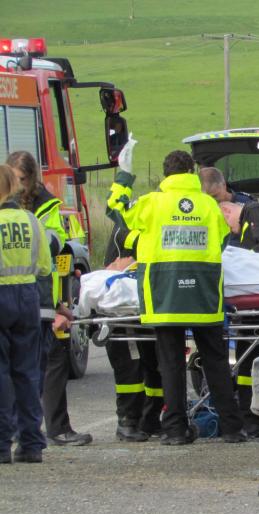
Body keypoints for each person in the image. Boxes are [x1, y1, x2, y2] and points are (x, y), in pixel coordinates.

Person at [122, 149, 245, 444]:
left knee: (171, 364)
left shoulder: (152, 203)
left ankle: (176, 429)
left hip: (165, 296)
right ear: (191, 172)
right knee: (216, 361)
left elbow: (121, 212)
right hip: (203, 294)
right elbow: (222, 238)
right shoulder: (207, 205)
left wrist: (123, 177)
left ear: (165, 174)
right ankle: (231, 428)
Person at [6, 151, 92, 446]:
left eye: (22, 180)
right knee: (26, 368)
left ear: (31, 179)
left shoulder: (47, 208)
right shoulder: (17, 212)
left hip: (43, 297)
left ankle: (52, 428)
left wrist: (61, 300)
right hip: (24, 298)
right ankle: (33, 430)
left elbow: (59, 254)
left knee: (52, 362)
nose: (19, 186)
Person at [103, 135, 164, 442]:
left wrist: (124, 175)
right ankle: (128, 420)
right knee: (130, 366)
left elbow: (115, 206)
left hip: (148, 304)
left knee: (154, 364)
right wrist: (123, 175)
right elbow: (116, 208)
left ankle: (151, 418)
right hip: (122, 308)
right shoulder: (132, 227)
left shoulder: (143, 223)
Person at [214, 196, 259, 438]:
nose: (230, 233)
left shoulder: (255, 213)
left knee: (252, 361)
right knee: (258, 357)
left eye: (228, 227)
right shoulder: (254, 218)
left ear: (226, 211)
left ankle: (252, 418)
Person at [0, 164, 53, 463]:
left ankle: (1, 445)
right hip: (28, 298)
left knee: (1, 374)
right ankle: (32, 443)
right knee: (27, 372)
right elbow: (45, 266)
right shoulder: (31, 220)